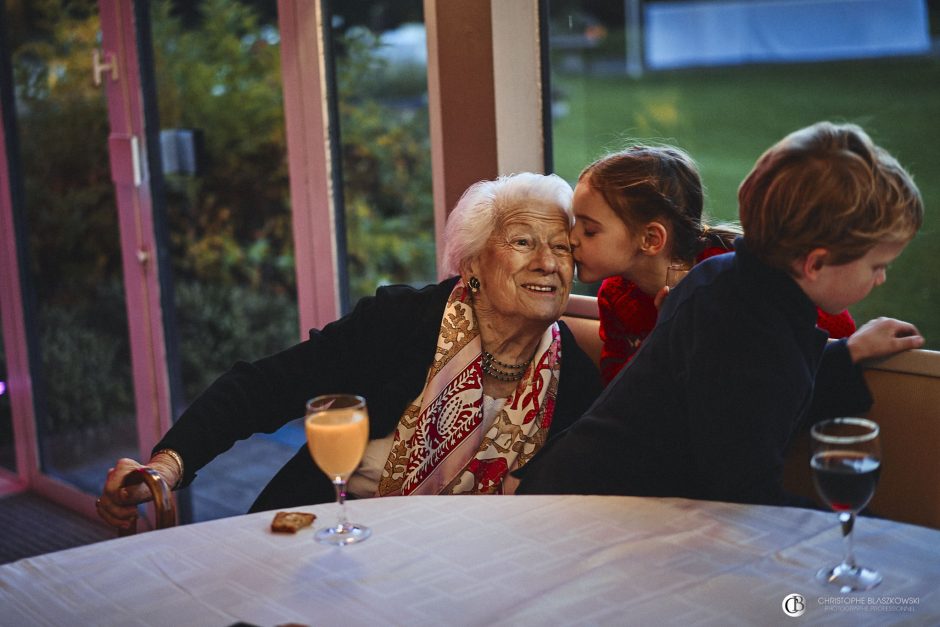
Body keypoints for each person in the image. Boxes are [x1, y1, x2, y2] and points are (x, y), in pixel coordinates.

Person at [96, 172, 602, 530]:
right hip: (331, 534)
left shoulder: (571, 378)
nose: (547, 263)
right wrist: (167, 465)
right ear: (471, 264)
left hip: (467, 567)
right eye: (522, 242)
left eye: (561, 248)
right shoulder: (402, 321)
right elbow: (265, 387)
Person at [516, 122, 925, 506]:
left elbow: (757, 407)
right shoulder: (740, 323)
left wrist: (848, 355)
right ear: (815, 265)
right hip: (587, 509)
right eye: (876, 266)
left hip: (593, 493)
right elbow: (744, 498)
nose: (882, 279)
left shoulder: (729, 281)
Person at [570, 144, 856, 384]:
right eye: (573, 224)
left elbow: (837, 327)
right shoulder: (615, 296)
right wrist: (665, 335)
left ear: (650, 239)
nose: (571, 239)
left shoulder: (727, 275)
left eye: (590, 230)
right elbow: (616, 387)